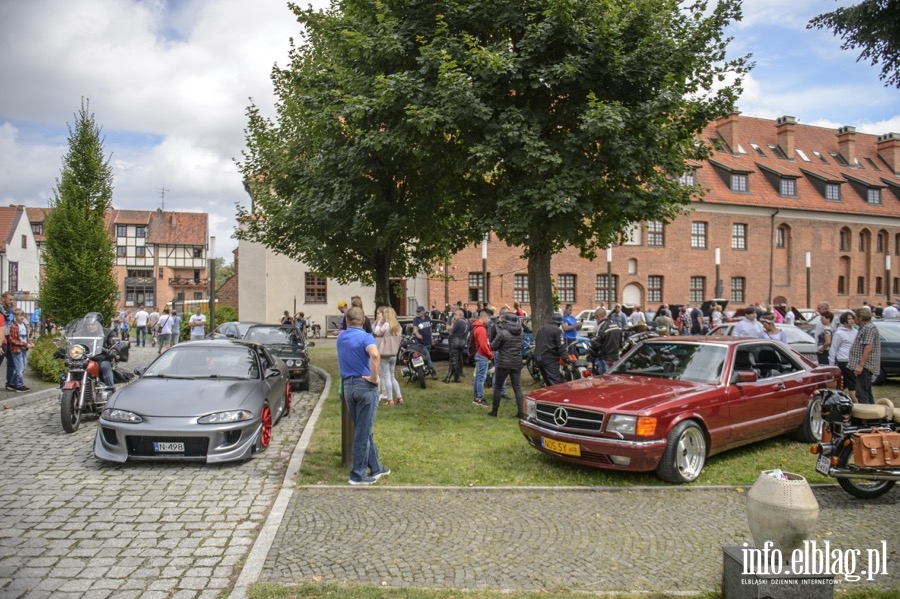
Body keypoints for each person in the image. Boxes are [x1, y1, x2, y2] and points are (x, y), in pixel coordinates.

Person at [336, 306, 389, 485]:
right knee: (362, 432)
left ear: (347, 321)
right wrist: (374, 377)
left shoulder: (341, 337)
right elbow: (374, 354)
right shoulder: (367, 337)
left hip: (348, 387)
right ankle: (357, 475)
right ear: (364, 321)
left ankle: (376, 467)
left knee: (364, 428)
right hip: (365, 387)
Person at [488, 312, 526, 418]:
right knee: (517, 388)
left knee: (498, 387)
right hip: (516, 362)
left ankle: (494, 411)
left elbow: (493, 346)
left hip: (503, 363)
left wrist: (495, 328)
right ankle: (521, 412)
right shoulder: (520, 333)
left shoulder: (502, 333)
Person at [848, 307, 880, 405]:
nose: (854, 320)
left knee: (862, 393)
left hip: (866, 366)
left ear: (861, 317)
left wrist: (860, 365)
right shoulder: (864, 328)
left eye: (855, 317)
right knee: (866, 392)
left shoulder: (869, 328)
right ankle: (873, 416)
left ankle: (866, 417)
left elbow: (868, 348)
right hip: (863, 366)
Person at [373, 306, 402, 406]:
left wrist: (378, 322)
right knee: (392, 376)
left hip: (385, 353)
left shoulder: (386, 325)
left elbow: (377, 333)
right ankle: (399, 397)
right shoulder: (398, 326)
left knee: (386, 376)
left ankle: (390, 399)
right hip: (394, 353)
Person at [82, 313, 118, 388]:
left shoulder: (108, 333)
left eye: (93, 324)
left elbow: (113, 342)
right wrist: (65, 349)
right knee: (72, 367)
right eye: (88, 325)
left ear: (99, 324)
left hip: (101, 358)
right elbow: (73, 343)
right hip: (84, 358)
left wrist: (114, 349)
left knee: (105, 366)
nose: (90, 327)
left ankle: (110, 388)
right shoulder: (81, 333)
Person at [829, 311, 858, 401]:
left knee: (844, 382)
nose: (852, 321)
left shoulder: (856, 331)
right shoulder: (839, 333)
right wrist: (831, 363)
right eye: (849, 319)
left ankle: (833, 397)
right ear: (844, 321)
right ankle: (856, 402)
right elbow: (833, 348)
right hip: (843, 360)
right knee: (852, 383)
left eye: (853, 318)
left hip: (854, 360)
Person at [534, 313, 567, 386]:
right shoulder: (557, 330)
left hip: (538, 358)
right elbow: (561, 346)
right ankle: (556, 397)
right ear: (558, 323)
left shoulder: (541, 329)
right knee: (555, 382)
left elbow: (537, 342)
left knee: (548, 382)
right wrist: (566, 359)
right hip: (548, 358)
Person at [590, 308, 624, 375]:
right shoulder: (616, 325)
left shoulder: (601, 326)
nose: (596, 320)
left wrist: (593, 336)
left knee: (604, 380)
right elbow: (621, 342)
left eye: (596, 318)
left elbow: (595, 344)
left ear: (599, 317)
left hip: (604, 358)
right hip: (616, 357)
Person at [471, 308, 493, 407]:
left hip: (478, 354)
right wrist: (490, 354)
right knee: (481, 377)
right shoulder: (481, 329)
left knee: (477, 377)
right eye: (488, 318)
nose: (489, 320)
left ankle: (476, 397)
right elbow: (484, 345)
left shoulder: (476, 327)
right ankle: (479, 398)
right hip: (482, 355)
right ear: (484, 317)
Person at [8, 308, 34, 392]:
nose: (21, 317)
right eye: (19, 315)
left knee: (24, 366)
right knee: (19, 368)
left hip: (23, 349)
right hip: (16, 350)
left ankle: (14, 383)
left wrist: (30, 343)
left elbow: (25, 338)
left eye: (22, 315)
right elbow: (12, 340)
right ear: (15, 316)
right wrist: (25, 344)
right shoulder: (14, 326)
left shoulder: (24, 325)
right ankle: (19, 385)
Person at [411, 305, 437, 379]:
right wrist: (418, 335)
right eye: (417, 311)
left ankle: (422, 372)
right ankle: (433, 373)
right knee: (427, 357)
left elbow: (430, 329)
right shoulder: (416, 320)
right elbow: (415, 329)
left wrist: (431, 338)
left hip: (428, 341)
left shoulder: (428, 318)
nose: (418, 313)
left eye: (419, 311)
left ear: (423, 312)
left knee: (425, 358)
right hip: (421, 343)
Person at [445, 309, 468, 383]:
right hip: (463, 341)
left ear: (460, 315)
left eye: (455, 314)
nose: (454, 316)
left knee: (453, 360)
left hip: (455, 341)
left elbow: (451, 332)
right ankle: (453, 376)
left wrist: (452, 323)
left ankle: (455, 377)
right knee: (457, 358)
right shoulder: (467, 322)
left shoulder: (458, 322)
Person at [1, 292, 16, 390]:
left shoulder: (10, 310)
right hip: (2, 339)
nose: (12, 301)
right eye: (10, 300)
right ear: (3, 299)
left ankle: (10, 383)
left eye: (12, 299)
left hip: (9, 339)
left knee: (12, 362)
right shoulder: (1, 310)